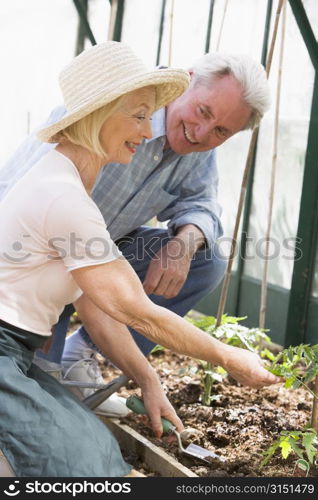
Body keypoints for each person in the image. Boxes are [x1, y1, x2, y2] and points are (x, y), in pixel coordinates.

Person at [0, 50, 274, 420]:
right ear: (189, 80)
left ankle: (81, 355)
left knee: (205, 258)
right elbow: (34, 227)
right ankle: (51, 365)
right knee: (38, 406)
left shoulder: (193, 146)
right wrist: (222, 355)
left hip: (90, 260)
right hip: (30, 266)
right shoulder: (96, 121)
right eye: (204, 112)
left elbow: (202, 204)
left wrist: (184, 242)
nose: (202, 133)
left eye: (221, 131)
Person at [0, 40, 192, 477]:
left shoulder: (70, 180)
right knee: (74, 466)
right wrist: (231, 359)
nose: (147, 133)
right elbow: (133, 308)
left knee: (99, 451)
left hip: (15, 352)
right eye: (139, 116)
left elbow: (97, 303)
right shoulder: (62, 195)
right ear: (100, 114)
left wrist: (146, 377)